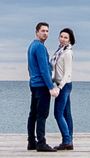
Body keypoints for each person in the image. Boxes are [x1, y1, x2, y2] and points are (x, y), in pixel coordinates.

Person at [25, 22, 55, 151]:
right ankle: (41, 142)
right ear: (37, 32)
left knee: (33, 113)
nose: (45, 33)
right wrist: (51, 87)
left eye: (47, 31)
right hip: (41, 85)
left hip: (34, 84)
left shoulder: (32, 46)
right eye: (43, 31)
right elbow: (43, 69)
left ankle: (31, 141)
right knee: (42, 114)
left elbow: (31, 68)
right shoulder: (39, 47)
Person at [50, 27, 77, 149]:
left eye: (65, 37)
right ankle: (69, 140)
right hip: (61, 84)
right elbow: (57, 70)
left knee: (58, 113)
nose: (62, 39)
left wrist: (59, 87)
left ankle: (67, 140)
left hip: (64, 85)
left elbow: (67, 73)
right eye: (61, 36)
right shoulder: (60, 50)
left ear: (70, 40)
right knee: (66, 113)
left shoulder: (67, 53)